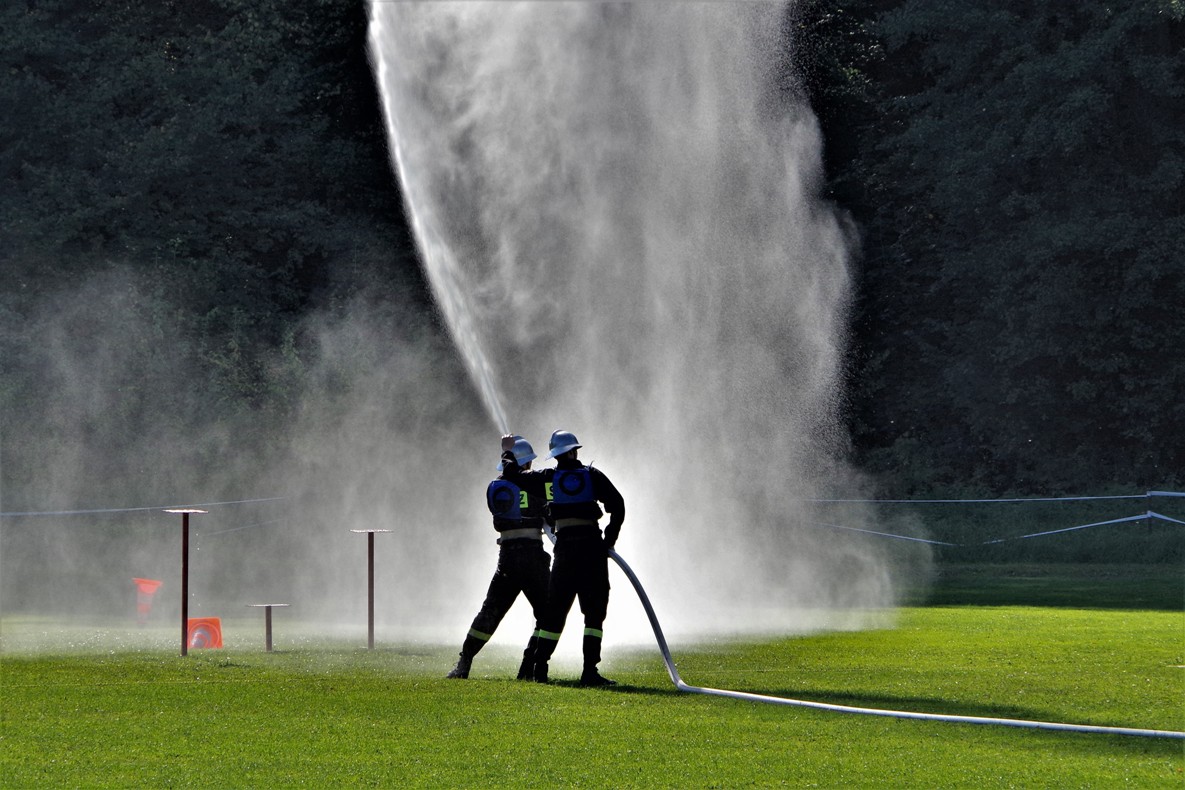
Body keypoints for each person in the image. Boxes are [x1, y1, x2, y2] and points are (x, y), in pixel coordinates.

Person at [446, 436, 552, 680]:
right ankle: (528, 667)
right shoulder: (536, 486)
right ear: (526, 463)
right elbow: (550, 517)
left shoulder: (497, 486)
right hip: (533, 557)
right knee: (547, 614)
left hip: (507, 558)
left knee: (490, 612)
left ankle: (464, 662)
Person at [527, 429, 625, 686]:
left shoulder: (547, 478)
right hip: (592, 548)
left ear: (555, 455)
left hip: (565, 551)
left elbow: (515, 477)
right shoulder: (592, 476)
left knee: (555, 610)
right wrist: (608, 541)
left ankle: (540, 669)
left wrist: (507, 456)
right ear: (574, 450)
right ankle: (589, 671)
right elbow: (618, 504)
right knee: (594, 614)